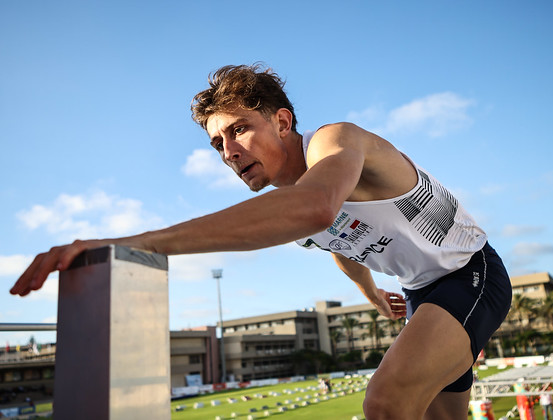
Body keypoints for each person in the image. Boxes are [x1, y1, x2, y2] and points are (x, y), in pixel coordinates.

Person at [10, 64, 512, 419]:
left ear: (283, 122)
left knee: (384, 403)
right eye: (217, 143)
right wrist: (371, 294)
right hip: (423, 294)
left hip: (471, 272)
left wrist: (140, 243)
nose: (228, 152)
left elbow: (316, 208)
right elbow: (340, 245)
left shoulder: (334, 142)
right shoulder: (297, 203)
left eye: (239, 130)